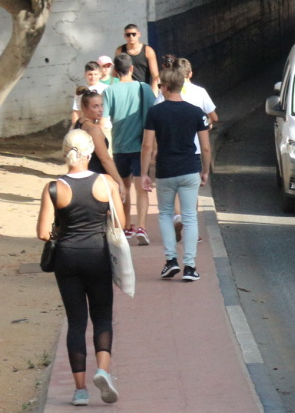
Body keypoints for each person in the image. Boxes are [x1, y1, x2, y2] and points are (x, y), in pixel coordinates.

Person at [36, 129, 124, 406]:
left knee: (76, 322)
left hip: (66, 257)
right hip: (97, 253)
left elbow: (42, 233)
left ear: (65, 153)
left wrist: (63, 234)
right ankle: (103, 371)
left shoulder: (54, 187)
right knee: (102, 317)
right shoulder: (106, 182)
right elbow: (121, 221)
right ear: (89, 154)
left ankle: (80, 391)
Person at [141, 67, 211, 282]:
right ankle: (190, 266)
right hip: (190, 168)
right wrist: (205, 170)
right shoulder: (196, 111)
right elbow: (206, 147)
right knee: (190, 217)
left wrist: (145, 173)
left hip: (165, 170)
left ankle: (171, 261)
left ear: (163, 87)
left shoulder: (155, 112)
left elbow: (147, 145)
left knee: (165, 214)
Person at [103, 54, 152, 244]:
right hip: (140, 146)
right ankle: (142, 227)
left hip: (119, 146)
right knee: (142, 188)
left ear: (115, 71)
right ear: (132, 69)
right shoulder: (144, 88)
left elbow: (105, 120)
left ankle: (127, 226)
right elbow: (152, 116)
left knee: (123, 188)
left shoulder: (109, 91)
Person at [74, 92, 126, 196]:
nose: (100, 109)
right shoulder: (93, 129)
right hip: (96, 177)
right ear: (84, 108)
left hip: (81, 174)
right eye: (95, 106)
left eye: (102, 105)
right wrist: (120, 182)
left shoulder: (79, 123)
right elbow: (105, 159)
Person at [115, 24, 159, 95]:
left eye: (133, 34)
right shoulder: (120, 51)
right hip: (126, 91)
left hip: (143, 90)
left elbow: (155, 76)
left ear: (139, 34)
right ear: (124, 36)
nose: (131, 37)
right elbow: (115, 73)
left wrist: (153, 93)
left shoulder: (148, 51)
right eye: (128, 35)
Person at [69, 60, 106, 129]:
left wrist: (100, 125)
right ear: (85, 74)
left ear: (100, 74)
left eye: (95, 74)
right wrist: (74, 127)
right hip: (86, 126)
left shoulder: (106, 89)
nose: (93, 77)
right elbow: (76, 110)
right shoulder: (81, 90)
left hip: (105, 127)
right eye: (90, 74)